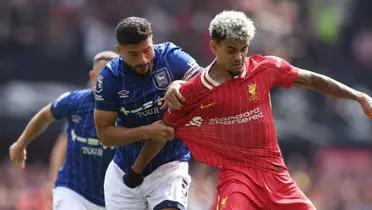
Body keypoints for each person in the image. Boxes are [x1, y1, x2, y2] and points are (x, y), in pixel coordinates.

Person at [163, 10, 372, 210]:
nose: (238, 57)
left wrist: (357, 96)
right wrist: (135, 172)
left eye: (242, 49)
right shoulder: (197, 90)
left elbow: (313, 80)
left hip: (274, 175)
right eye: (231, 50)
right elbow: (166, 128)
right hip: (237, 179)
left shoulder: (265, 69)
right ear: (214, 46)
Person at [93, 17, 201, 210]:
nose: (143, 59)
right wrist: (147, 131)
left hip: (170, 165)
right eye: (133, 54)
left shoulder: (171, 57)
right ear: (119, 51)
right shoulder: (110, 78)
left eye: (146, 50)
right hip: (124, 172)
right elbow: (105, 135)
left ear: (152, 41)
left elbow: (205, 85)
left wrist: (180, 84)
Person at [9, 51, 118, 210]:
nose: (105, 82)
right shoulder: (75, 102)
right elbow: (46, 117)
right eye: (101, 76)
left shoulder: (130, 108)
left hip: (111, 196)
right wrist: (21, 144)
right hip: (73, 190)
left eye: (111, 77)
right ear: (92, 75)